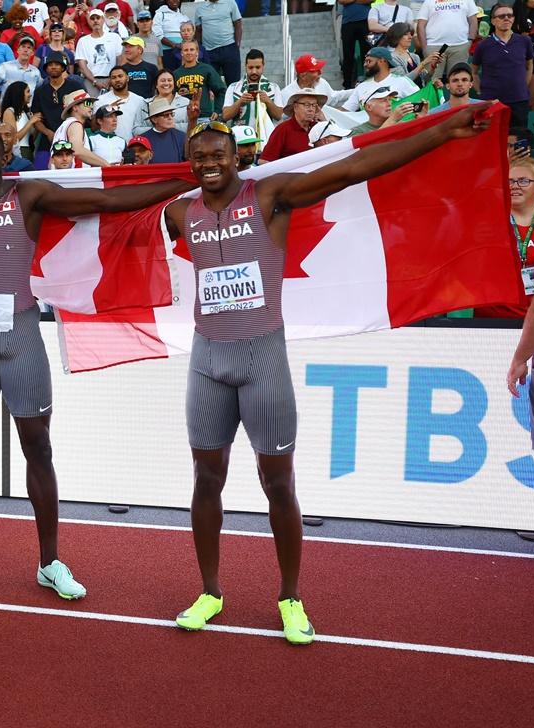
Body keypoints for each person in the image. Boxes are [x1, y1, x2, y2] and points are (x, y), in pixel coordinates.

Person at [164, 108, 486, 644]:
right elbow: (109, 205)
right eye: (199, 158)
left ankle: (290, 597)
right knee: (206, 480)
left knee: (278, 483)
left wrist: (441, 132)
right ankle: (210, 591)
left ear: (237, 158)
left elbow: (353, 170)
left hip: (262, 356)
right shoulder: (181, 212)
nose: (209, 164)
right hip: (208, 358)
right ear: (191, 164)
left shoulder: (268, 196)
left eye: (218, 155)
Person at [0, 126, 192, 599]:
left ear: (5, 155)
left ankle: (50, 561)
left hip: (20, 334)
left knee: (38, 446)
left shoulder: (28, 193)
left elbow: (107, 203)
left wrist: (186, 181)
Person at [484, 158, 534, 318]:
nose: (515, 186)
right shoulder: (487, 221)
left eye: (523, 181)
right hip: (490, 321)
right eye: (509, 181)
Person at [472, 4, 534, 129]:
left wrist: (523, 86)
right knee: (491, 142)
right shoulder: (483, 46)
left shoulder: (525, 41)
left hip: (519, 101)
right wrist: (480, 91)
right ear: (493, 21)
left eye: (510, 15)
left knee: (518, 142)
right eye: (501, 16)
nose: (506, 18)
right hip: (492, 103)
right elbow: (473, 72)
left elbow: (529, 66)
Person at [221, 49, 282, 151]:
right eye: (250, 67)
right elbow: (225, 116)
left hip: (266, 139)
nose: (254, 71)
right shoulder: (233, 87)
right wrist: (240, 102)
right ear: (245, 66)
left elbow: (278, 115)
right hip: (240, 141)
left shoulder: (274, 88)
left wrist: (268, 101)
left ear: (263, 66)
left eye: (258, 67)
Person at [30, 54, 80, 169]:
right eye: (50, 65)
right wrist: (47, 132)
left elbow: (82, 112)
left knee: (75, 174)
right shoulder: (40, 91)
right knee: (40, 174)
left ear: (63, 67)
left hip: (71, 137)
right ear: (46, 69)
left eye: (57, 64)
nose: (53, 67)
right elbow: (36, 118)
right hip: (47, 138)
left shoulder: (75, 86)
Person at [417, 0, 479, 81]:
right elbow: (420, 25)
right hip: (434, 47)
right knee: (432, 81)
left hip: (460, 46)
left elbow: (473, 21)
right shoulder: (429, 1)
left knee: (457, 80)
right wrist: (425, 48)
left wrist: (470, 41)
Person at [261, 88, 325, 162]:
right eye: (307, 105)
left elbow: (335, 147)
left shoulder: (319, 128)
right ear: (295, 107)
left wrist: (324, 120)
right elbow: (264, 161)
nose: (311, 109)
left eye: (314, 105)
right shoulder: (283, 129)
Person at [172, 40, 226, 118]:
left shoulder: (206, 69)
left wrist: (217, 110)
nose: (189, 52)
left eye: (192, 49)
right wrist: (178, 94)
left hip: (203, 116)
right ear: (181, 53)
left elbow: (221, 90)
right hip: (182, 117)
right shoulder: (176, 73)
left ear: (197, 52)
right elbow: (171, 96)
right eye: (186, 50)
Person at [194, 0, 242, 85]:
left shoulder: (230, 3)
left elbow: (238, 24)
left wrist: (236, 45)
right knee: (213, 85)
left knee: (234, 84)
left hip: (229, 48)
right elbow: (198, 30)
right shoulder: (200, 9)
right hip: (209, 52)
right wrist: (200, 50)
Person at [75, 9, 123, 92]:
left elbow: (120, 60)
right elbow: (82, 66)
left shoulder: (115, 37)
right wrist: (94, 81)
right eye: (92, 19)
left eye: (98, 18)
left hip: (113, 80)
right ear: (89, 21)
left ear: (103, 19)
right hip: (91, 81)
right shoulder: (83, 41)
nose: (95, 21)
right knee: (91, 104)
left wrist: (112, 79)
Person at [94, 66, 144, 144]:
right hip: (110, 146)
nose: (117, 80)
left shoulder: (140, 100)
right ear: (110, 81)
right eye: (113, 77)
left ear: (127, 78)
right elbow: (94, 127)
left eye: (120, 76)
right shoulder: (101, 100)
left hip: (134, 146)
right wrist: (108, 109)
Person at [140, 96, 190, 163]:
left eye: (171, 114)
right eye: (166, 115)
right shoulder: (143, 139)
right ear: (154, 119)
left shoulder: (181, 136)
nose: (170, 118)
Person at [348, 86, 416, 135]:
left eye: (389, 100)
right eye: (383, 101)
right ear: (369, 107)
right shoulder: (357, 131)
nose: (389, 104)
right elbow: (369, 148)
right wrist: (392, 120)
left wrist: (421, 117)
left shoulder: (400, 124)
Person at [338, 0, 374, 89]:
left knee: (368, 54)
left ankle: (370, 81)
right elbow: (341, 1)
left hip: (366, 21)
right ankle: (347, 85)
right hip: (347, 23)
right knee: (348, 55)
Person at [153, 0, 191, 72]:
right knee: (170, 74)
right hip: (167, 52)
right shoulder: (160, 14)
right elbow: (158, 35)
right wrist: (175, 45)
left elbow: (190, 33)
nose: (175, 1)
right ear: (167, 1)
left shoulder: (184, 17)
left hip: (182, 51)